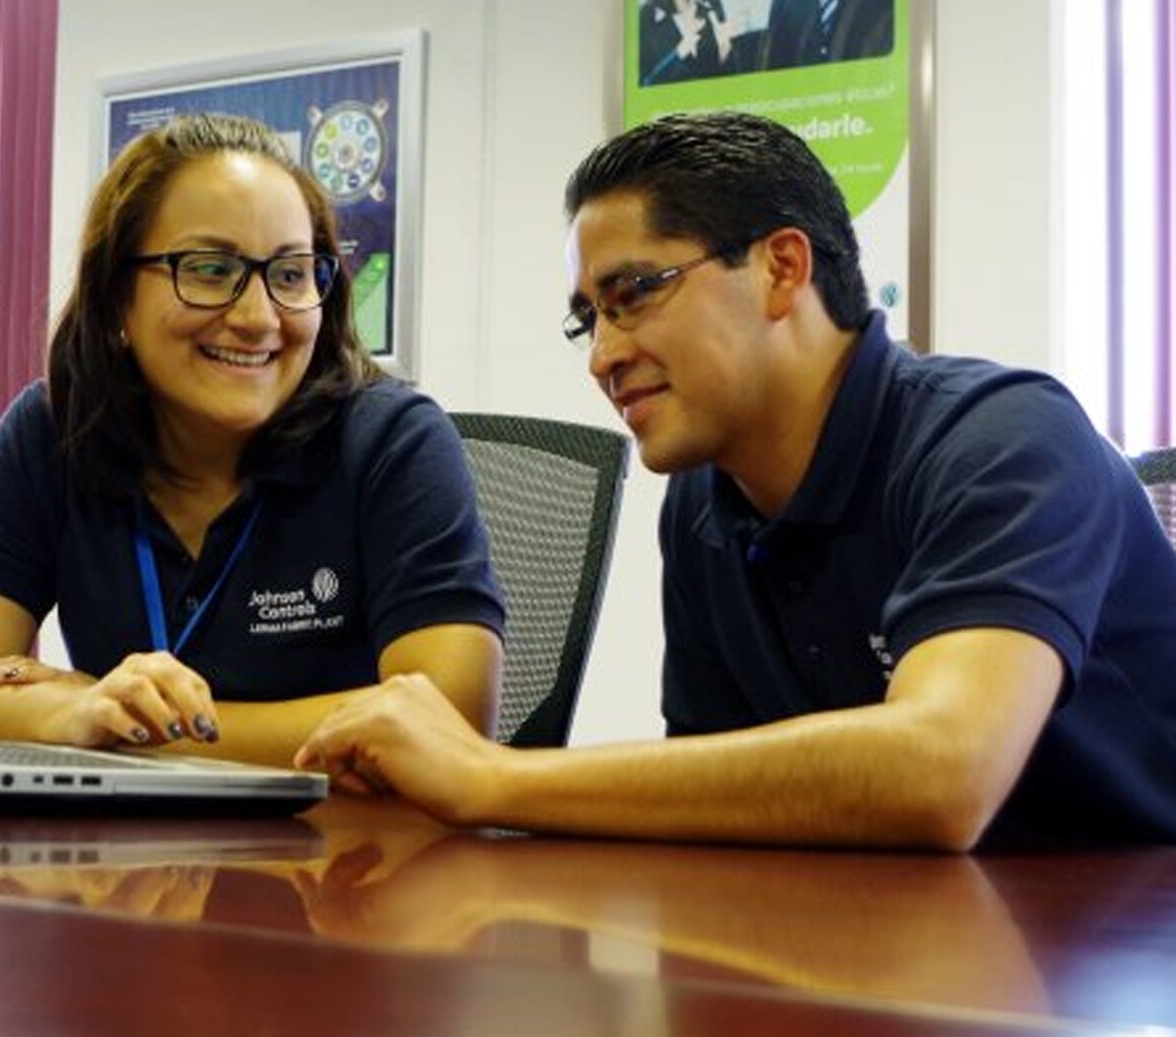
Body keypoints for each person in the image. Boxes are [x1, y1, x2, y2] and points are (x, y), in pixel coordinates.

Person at [295, 111, 1176, 850]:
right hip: (895, 935)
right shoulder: (702, 502)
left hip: (1119, 942)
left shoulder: (1003, 437)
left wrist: (492, 779)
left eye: (633, 292)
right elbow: (712, 789)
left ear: (782, 268)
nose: (602, 356)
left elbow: (944, 770)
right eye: (588, 319)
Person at [0, 113, 504, 766]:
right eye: (210, 269)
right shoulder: (55, 430)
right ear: (118, 297)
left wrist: (130, 727)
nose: (258, 317)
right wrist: (72, 710)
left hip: (343, 855)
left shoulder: (391, 442)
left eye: (291, 275)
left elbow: (447, 715)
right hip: (118, 858)